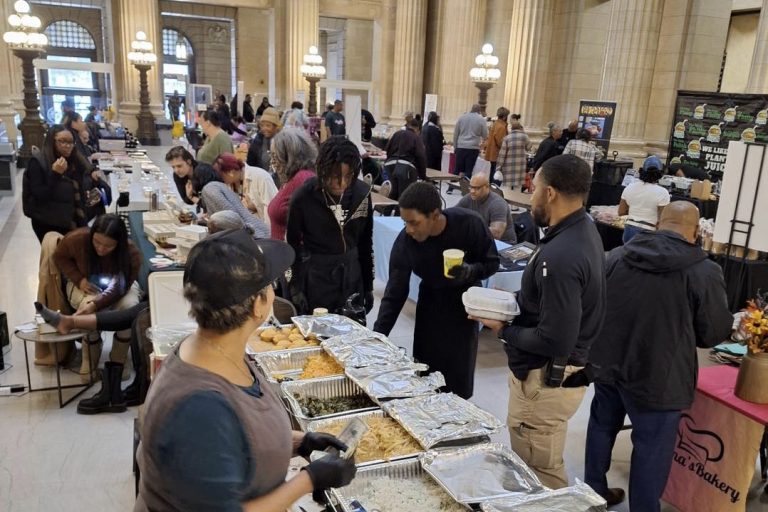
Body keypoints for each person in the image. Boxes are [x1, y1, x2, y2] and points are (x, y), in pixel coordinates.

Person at [135, 229, 356, 510]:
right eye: (270, 286)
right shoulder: (200, 407)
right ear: (258, 304)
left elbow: (233, 442)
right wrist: (308, 480)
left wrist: (299, 442)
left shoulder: (211, 349)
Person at [582, 201, 733, 510]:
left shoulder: (618, 255)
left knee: (601, 425)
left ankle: (592, 493)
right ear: (694, 233)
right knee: (651, 450)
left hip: (608, 364)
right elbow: (713, 334)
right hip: (660, 377)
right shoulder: (703, 271)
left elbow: (593, 306)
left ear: (658, 223)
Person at [470, 154, 606, 489]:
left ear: (550, 194)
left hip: (545, 383)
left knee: (538, 474)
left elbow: (555, 339)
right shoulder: (581, 229)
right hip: (558, 377)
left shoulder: (563, 255)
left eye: (535, 188)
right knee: (544, 458)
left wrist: (506, 330)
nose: (530, 195)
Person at [374, 182, 499, 398]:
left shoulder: (469, 224)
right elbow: (395, 293)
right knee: (427, 375)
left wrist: (470, 271)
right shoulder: (406, 242)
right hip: (430, 306)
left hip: (463, 310)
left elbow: (492, 263)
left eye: (414, 223)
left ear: (434, 214)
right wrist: (377, 337)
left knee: (458, 380)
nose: (409, 230)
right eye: (405, 223)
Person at [286, 136, 373, 316]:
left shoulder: (362, 194)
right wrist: (296, 286)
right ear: (322, 170)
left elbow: (366, 242)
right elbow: (293, 244)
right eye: (334, 176)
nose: (341, 183)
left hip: (352, 275)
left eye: (347, 176)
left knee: (352, 334)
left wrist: (368, 284)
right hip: (317, 277)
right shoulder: (303, 197)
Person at [53, 214, 142, 387]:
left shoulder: (131, 253)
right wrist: (78, 278)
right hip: (84, 283)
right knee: (86, 305)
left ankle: (118, 361)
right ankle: (90, 357)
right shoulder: (76, 239)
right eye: (97, 242)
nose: (101, 249)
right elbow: (59, 257)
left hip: (119, 287)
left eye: (108, 246)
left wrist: (96, 303)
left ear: (119, 243)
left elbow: (120, 287)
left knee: (129, 308)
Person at [22, 125, 94, 242]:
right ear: (52, 141)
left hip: (71, 217)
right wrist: (55, 174)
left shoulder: (72, 160)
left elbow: (84, 173)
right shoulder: (38, 162)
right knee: (56, 256)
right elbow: (39, 196)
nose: (68, 146)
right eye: (62, 142)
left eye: (71, 142)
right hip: (48, 221)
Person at [191, 164, 269, 239]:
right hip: (258, 230)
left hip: (255, 235)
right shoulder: (219, 186)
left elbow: (230, 216)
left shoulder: (209, 189)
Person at [268, 128, 317, 241]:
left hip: (291, 254)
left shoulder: (303, 178)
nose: (272, 161)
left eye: (275, 155)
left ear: (288, 155)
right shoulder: (291, 178)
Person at [213, 153, 277, 228]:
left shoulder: (261, 177)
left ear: (231, 172)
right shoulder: (231, 183)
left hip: (267, 229)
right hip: (249, 229)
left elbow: (271, 210)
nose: (222, 181)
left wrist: (268, 235)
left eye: (222, 177)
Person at [619, 155, 670, 243]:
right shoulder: (663, 192)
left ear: (642, 171)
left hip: (629, 230)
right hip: (649, 231)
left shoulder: (630, 187)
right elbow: (663, 219)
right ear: (660, 174)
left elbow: (621, 212)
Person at [457, 173, 517, 243]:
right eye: (471, 187)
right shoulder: (469, 197)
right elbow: (453, 213)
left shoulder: (497, 203)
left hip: (504, 244)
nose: (472, 191)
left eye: (477, 188)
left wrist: (469, 227)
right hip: (483, 240)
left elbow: (496, 234)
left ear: (487, 187)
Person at [384, 118, 427, 199]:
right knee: (405, 197)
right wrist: (422, 175)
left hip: (390, 165)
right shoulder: (416, 137)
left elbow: (388, 149)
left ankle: (386, 211)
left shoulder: (397, 133)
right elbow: (421, 156)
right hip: (406, 168)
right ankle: (401, 211)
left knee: (392, 194)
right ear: (417, 129)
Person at [453, 104, 488, 178]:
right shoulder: (481, 119)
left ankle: (451, 188)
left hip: (461, 146)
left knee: (457, 168)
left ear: (471, 109)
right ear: (479, 111)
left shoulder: (461, 117)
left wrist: (455, 147)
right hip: (473, 148)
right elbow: (485, 135)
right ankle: (465, 187)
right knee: (468, 170)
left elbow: (456, 133)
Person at [496, 120, 531, 191]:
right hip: (520, 165)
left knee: (506, 186)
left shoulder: (507, 138)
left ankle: (506, 200)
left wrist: (499, 167)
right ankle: (515, 200)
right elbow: (529, 147)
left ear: (511, 128)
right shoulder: (524, 137)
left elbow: (502, 154)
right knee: (518, 186)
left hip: (508, 166)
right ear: (520, 128)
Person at [485, 107, 509, 176]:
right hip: (496, 154)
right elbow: (501, 142)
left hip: (492, 152)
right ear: (504, 117)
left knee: (492, 172)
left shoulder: (495, 124)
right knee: (495, 174)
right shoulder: (501, 126)